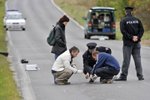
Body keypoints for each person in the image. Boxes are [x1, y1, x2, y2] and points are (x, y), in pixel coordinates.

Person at [115, 6, 144, 81]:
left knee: (126, 60)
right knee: (138, 59)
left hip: (128, 44)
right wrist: (137, 37)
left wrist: (131, 37)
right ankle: (140, 76)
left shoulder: (123, 20)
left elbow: (123, 31)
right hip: (137, 43)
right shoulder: (137, 20)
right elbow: (142, 30)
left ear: (126, 12)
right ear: (132, 12)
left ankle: (123, 76)